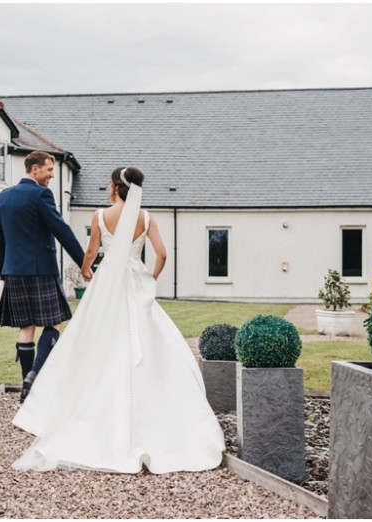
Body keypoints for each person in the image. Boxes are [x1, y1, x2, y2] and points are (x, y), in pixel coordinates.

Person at [12, 166, 225, 474]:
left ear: (115, 187)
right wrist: (150, 276)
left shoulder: (100, 216)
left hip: (107, 283)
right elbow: (162, 253)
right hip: (136, 280)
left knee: (96, 338)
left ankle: (89, 409)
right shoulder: (146, 217)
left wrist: (87, 270)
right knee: (149, 338)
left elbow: (91, 251)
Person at [0, 150, 86, 402]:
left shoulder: (3, 197)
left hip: (13, 271)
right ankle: (35, 373)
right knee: (55, 321)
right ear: (34, 169)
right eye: (48, 170)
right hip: (41, 269)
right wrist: (83, 263)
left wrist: (4, 270)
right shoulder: (41, 194)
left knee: (26, 328)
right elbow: (61, 230)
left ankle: (27, 387)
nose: (51, 176)